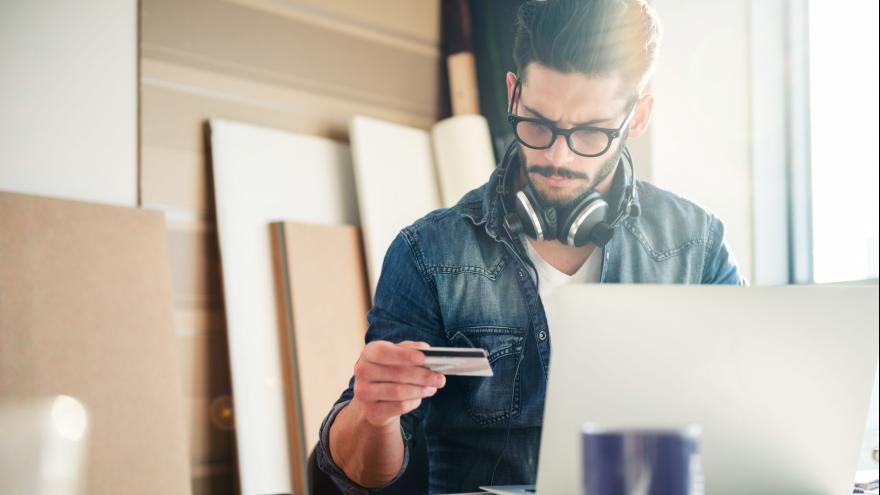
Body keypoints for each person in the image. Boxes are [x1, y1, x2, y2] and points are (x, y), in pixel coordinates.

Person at [315, 0, 745, 493]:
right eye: (538, 124)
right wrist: (374, 416)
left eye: (589, 133)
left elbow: (744, 416)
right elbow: (366, 477)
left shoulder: (698, 245)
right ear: (513, 94)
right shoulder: (428, 254)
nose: (557, 156)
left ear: (639, 117)